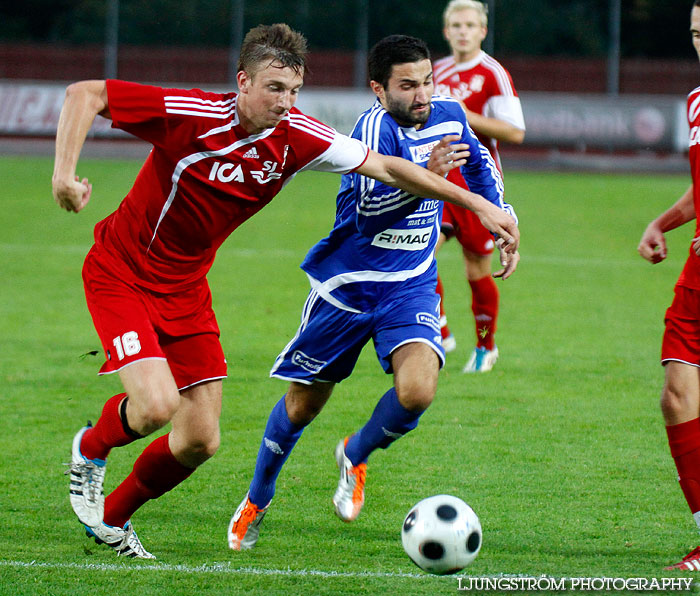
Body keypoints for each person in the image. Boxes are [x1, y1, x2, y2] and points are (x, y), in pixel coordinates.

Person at [54, 24, 519, 559]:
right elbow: (84, 93)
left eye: (294, 91)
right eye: (274, 89)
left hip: (186, 289)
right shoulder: (193, 114)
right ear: (243, 82)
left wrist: (483, 207)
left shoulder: (298, 135)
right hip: (123, 272)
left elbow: (389, 169)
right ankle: (89, 451)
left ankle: (111, 520)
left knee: (200, 441)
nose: (286, 102)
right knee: (157, 405)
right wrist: (64, 177)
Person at [227, 34, 519, 551]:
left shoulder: (450, 114)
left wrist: (502, 217)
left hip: (410, 285)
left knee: (418, 391)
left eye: (427, 79)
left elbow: (480, 164)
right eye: (408, 85)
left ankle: (355, 454)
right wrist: (425, 182)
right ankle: (258, 495)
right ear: (379, 90)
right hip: (348, 287)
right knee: (302, 405)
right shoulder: (371, 131)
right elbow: (367, 216)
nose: (423, 93)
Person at [638, 0, 700, 571]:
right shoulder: (696, 102)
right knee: (676, 396)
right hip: (697, 276)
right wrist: (663, 221)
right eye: (696, 34)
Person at [432, 0, 526, 372]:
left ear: (482, 31)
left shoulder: (493, 73)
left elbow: (515, 132)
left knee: (476, 269)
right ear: (446, 30)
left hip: (476, 184)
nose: (463, 31)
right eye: (456, 25)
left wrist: (466, 116)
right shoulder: (435, 70)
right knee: (416, 253)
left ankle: (486, 347)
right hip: (437, 180)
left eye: (470, 25)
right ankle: (439, 328)